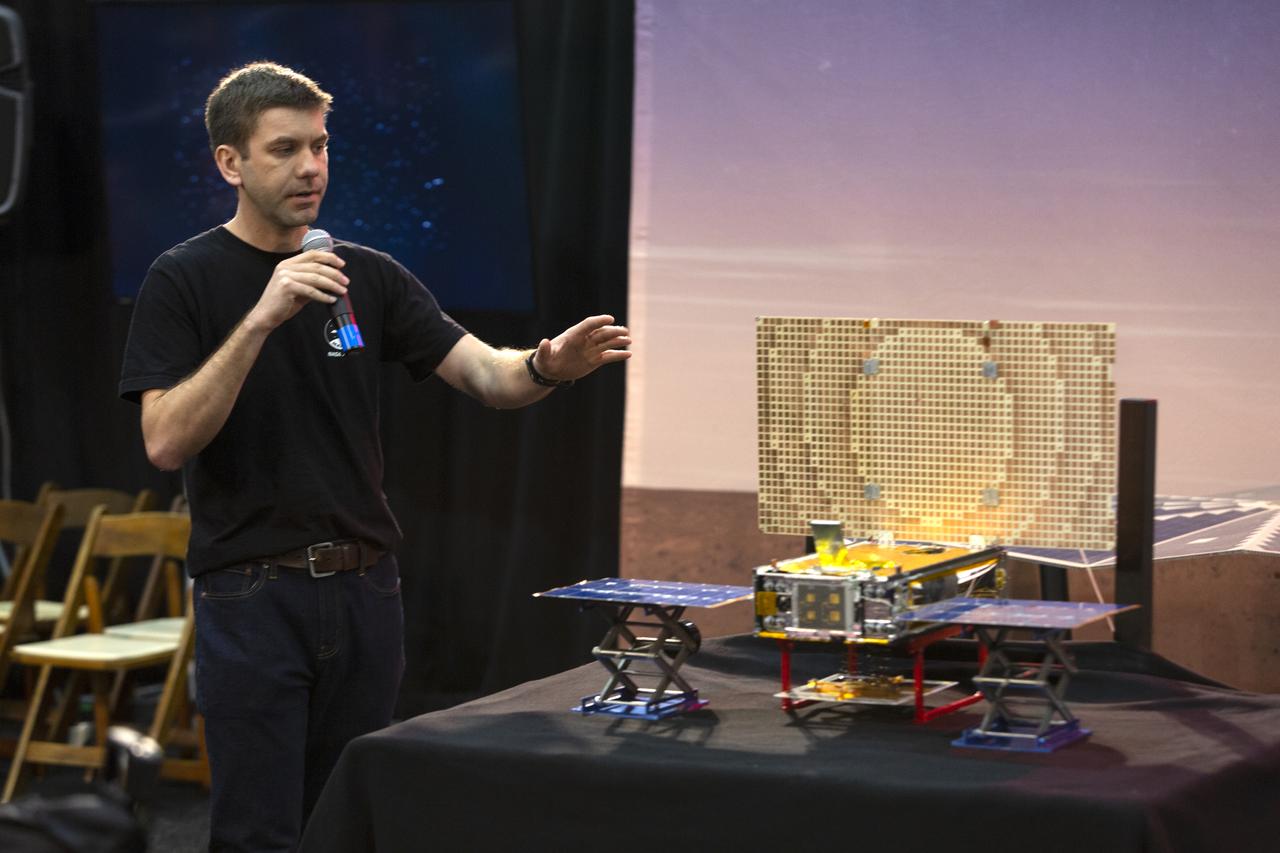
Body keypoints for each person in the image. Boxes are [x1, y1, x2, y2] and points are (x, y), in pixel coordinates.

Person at [118, 61, 630, 852]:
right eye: (285, 148)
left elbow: (483, 373)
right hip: (254, 595)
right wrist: (262, 318)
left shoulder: (368, 275)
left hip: (366, 592)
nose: (311, 167)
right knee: (258, 830)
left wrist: (543, 366)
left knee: (349, 823)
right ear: (231, 163)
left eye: (320, 146)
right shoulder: (182, 279)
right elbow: (164, 439)